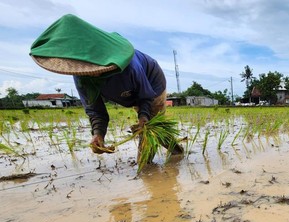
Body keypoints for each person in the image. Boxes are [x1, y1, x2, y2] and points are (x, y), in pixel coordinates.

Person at [29, 14, 182, 157]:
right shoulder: (81, 76)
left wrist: (143, 116)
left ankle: (152, 165)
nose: (91, 74)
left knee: (150, 127)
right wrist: (98, 134)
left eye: (93, 69)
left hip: (152, 84)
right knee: (152, 127)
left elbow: (145, 97)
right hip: (128, 92)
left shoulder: (130, 67)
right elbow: (96, 111)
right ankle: (175, 153)